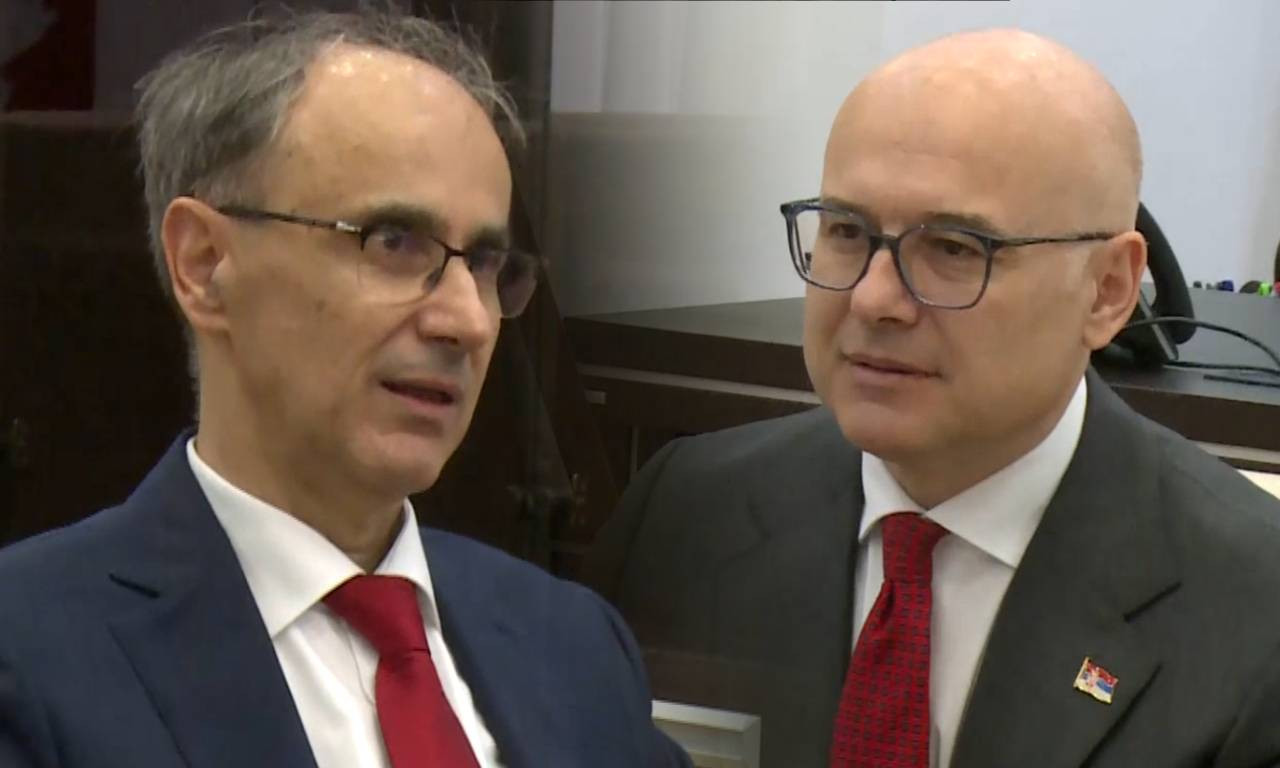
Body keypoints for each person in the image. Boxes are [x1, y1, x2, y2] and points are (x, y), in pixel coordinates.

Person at [0, 9, 688, 768]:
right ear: (205, 264)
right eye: (395, 242)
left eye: (486, 264)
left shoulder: (574, 647)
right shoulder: (31, 660)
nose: (468, 320)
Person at [589, 28, 1280, 768]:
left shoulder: (1252, 608)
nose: (872, 299)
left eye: (954, 249)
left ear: (1108, 290)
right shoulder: (686, 513)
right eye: (847, 231)